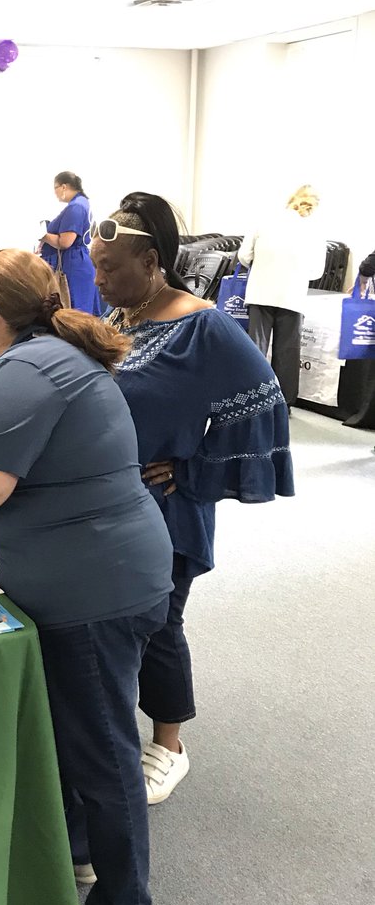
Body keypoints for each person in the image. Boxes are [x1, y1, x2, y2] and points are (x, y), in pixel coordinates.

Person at [0, 249, 173, 905]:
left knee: (102, 751)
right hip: (107, 574)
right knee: (77, 736)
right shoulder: (51, 358)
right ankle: (82, 858)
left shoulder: (21, 372)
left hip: (94, 591)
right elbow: (1, 458)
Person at [91, 193, 294, 807]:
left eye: (110, 267)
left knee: (160, 623)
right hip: (114, 502)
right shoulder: (122, 316)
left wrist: (195, 466)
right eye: (96, 266)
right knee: (118, 620)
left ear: (151, 259)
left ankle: (170, 744)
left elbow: (266, 400)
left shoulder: (203, 324)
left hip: (167, 506)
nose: (98, 279)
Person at [238, 184, 327, 408]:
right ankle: (283, 403)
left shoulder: (265, 220)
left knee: (256, 347)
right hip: (292, 296)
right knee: (287, 352)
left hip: (260, 292)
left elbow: (244, 256)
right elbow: (317, 271)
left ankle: (252, 396)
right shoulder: (314, 230)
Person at [40, 171, 101, 315]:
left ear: (64, 187)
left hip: (72, 267)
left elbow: (65, 242)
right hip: (76, 262)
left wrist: (43, 235)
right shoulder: (81, 204)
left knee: (75, 313)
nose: (55, 193)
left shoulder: (76, 207)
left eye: (55, 188)